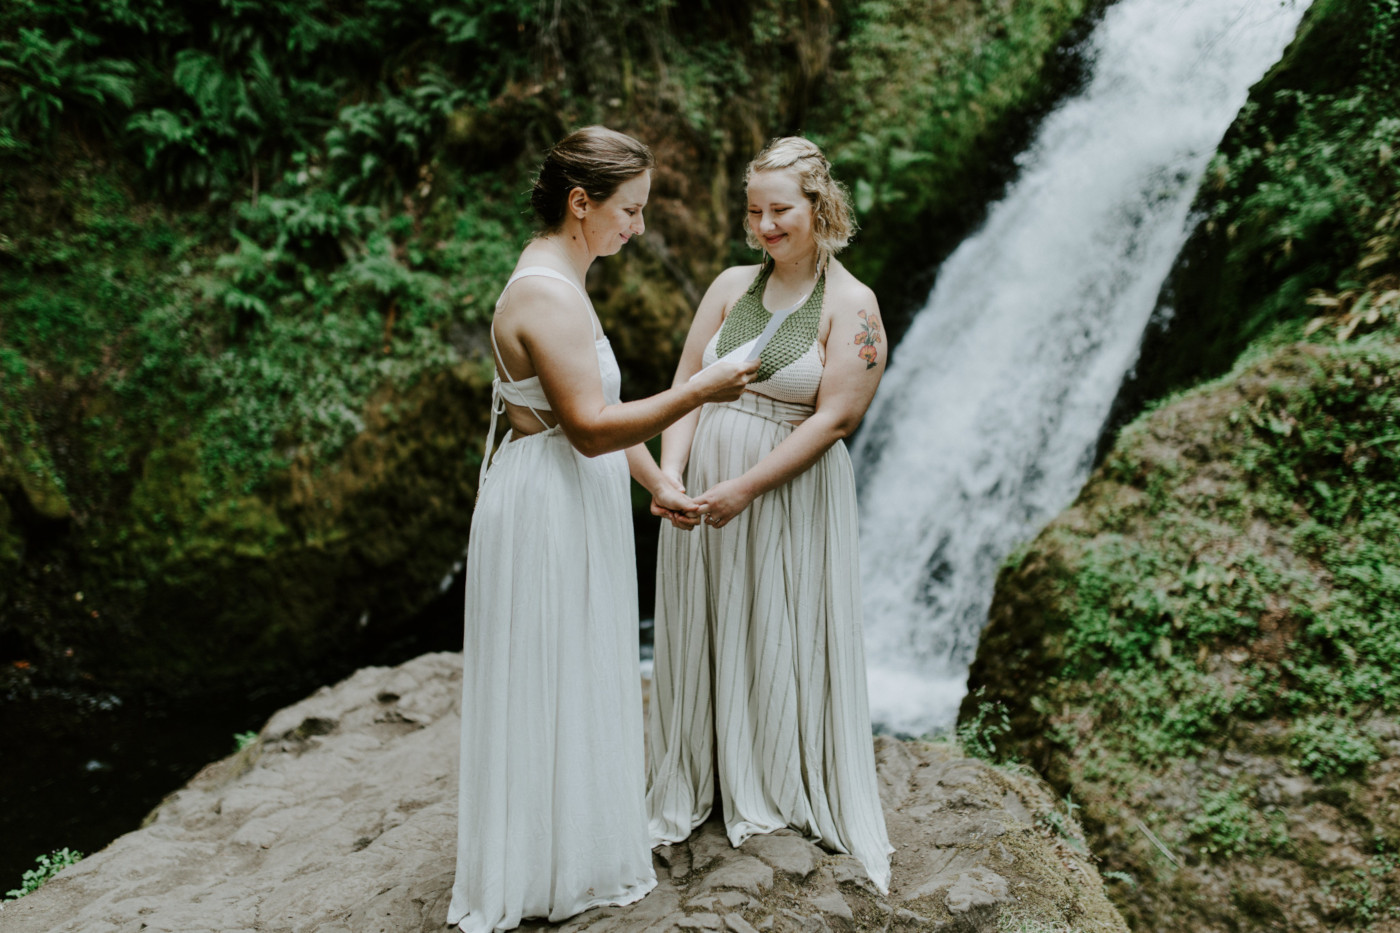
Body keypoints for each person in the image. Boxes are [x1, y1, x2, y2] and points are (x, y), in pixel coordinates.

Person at [448, 126, 759, 933]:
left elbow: (586, 415)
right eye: (631, 210)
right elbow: (587, 426)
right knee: (553, 664)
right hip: (547, 503)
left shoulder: (561, 275)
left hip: (567, 489)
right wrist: (702, 389)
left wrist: (659, 480)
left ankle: (567, 848)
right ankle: (539, 868)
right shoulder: (546, 292)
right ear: (580, 203)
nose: (639, 227)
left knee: (575, 665)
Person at [645, 136, 893, 892]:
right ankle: (709, 772)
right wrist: (672, 471)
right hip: (703, 488)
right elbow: (689, 380)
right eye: (754, 210)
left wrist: (747, 486)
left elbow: (836, 420)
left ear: (819, 207)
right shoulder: (728, 285)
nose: (764, 225)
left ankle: (778, 777)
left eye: (779, 209)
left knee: (777, 621)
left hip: (784, 492)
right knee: (712, 621)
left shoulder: (852, 306)